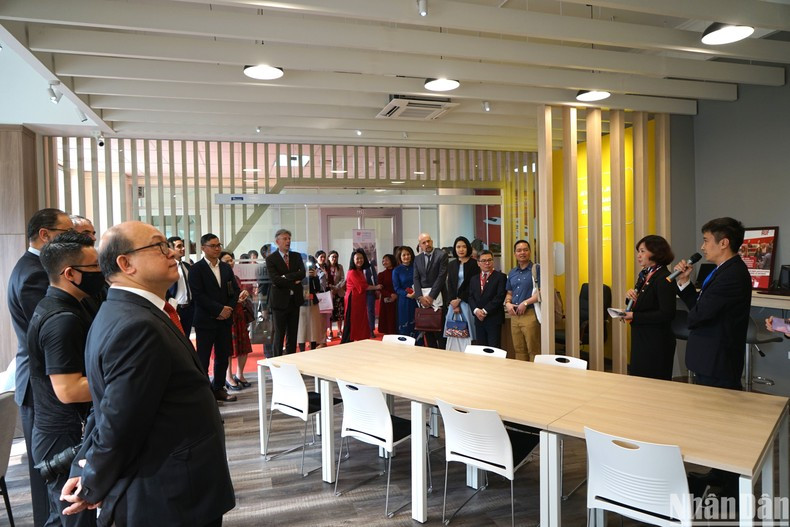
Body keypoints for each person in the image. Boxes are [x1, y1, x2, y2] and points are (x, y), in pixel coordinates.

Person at [59, 221, 235, 526]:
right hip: (171, 492)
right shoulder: (137, 326)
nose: (171, 254)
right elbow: (119, 421)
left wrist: (83, 467)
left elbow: (109, 408)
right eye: (158, 246)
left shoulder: (132, 312)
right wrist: (91, 481)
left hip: (175, 482)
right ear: (125, 264)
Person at [27, 231, 100, 527]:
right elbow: (69, 390)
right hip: (63, 434)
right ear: (71, 273)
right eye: (94, 267)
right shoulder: (62, 319)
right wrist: (126, 386)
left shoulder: (69, 305)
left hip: (62, 429)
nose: (102, 272)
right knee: (74, 518)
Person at [7, 207, 73, 526]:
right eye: (66, 234)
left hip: (42, 382)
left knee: (50, 477)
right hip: (40, 385)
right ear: (45, 235)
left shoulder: (35, 265)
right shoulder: (34, 271)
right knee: (48, 480)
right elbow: (48, 330)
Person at [673, 217, 751, 389]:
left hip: (718, 360)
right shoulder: (722, 270)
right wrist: (685, 282)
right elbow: (699, 307)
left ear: (723, 243)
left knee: (720, 411)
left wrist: (692, 317)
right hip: (710, 358)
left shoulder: (731, 274)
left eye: (706, 241)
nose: (702, 247)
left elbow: (699, 314)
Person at [189, 233, 240, 402]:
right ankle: (203, 392)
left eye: (219, 245)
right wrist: (218, 310)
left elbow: (234, 291)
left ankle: (218, 388)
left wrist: (229, 309)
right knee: (203, 358)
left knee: (222, 355)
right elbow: (198, 295)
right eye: (213, 246)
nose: (217, 248)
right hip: (206, 319)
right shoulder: (196, 269)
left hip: (225, 319)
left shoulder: (225, 267)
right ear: (203, 248)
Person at [622, 235, 677, 380]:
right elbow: (643, 304)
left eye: (642, 251)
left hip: (656, 342)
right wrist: (629, 297)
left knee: (653, 386)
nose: (639, 256)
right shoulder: (644, 275)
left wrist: (634, 316)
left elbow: (666, 314)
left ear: (656, 252)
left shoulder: (665, 278)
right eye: (638, 252)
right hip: (641, 338)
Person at [265, 229, 306, 356]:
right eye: (285, 239)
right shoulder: (271, 259)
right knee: (279, 334)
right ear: (277, 242)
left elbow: (302, 273)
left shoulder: (296, 256)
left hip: (295, 301)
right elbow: (275, 280)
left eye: (289, 238)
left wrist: (285, 277)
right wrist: (293, 281)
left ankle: (291, 360)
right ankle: (277, 362)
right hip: (279, 302)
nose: (288, 241)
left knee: (292, 334)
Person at [219, 251, 253, 390]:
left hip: (239, 315)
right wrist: (234, 300)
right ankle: (229, 376)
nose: (231, 262)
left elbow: (241, 293)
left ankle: (240, 374)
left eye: (231, 260)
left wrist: (244, 295)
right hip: (228, 315)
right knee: (228, 348)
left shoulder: (236, 277)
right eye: (227, 261)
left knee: (243, 347)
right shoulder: (219, 278)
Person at [504, 240, 541, 361]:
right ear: (515, 254)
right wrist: (508, 303)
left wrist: (525, 303)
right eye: (519, 250)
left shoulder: (537, 269)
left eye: (525, 250)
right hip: (515, 315)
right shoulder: (512, 272)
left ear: (530, 252)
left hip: (530, 314)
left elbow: (542, 292)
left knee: (533, 349)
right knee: (518, 349)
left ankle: (535, 377)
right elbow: (509, 292)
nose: (522, 252)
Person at [413, 232, 449, 348]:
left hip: (438, 298)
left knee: (440, 330)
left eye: (429, 241)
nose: (427, 244)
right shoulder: (417, 259)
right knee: (427, 329)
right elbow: (416, 278)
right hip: (423, 300)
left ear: (432, 241)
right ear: (420, 245)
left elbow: (441, 277)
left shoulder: (441, 255)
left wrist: (431, 296)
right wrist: (420, 297)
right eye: (424, 242)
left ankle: (443, 358)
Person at [468, 250, 507, 347]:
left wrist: (485, 311)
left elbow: (500, 296)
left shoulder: (501, 277)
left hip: (493, 318)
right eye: (484, 260)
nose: (487, 263)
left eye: (489, 260)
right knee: (481, 348)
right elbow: (470, 297)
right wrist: (476, 310)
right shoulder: (474, 279)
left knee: (494, 348)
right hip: (478, 319)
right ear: (478, 263)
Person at [444, 236, 479, 344]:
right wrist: (452, 302)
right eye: (458, 247)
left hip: (467, 302)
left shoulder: (474, 264)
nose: (461, 249)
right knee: (453, 332)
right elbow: (449, 284)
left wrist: (459, 300)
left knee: (468, 333)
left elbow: (473, 285)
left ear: (468, 248)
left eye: (464, 246)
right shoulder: (451, 264)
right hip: (453, 304)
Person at [341, 249, 374, 343]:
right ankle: (346, 342)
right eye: (357, 258)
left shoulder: (360, 270)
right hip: (353, 299)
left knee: (360, 320)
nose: (360, 260)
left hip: (359, 299)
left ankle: (357, 339)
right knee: (351, 321)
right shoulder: (352, 272)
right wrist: (376, 287)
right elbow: (362, 286)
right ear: (353, 260)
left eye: (361, 258)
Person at [166, 235, 194, 338]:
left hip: (190, 308)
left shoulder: (187, 266)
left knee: (186, 337)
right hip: (176, 309)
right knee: (176, 338)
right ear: (171, 249)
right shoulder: (167, 267)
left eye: (183, 246)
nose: (183, 248)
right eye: (179, 246)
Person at [297, 255, 327, 351]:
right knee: (302, 328)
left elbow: (318, 289)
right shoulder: (298, 273)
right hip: (301, 303)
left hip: (313, 302)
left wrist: (314, 277)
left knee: (313, 327)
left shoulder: (314, 274)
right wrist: (303, 275)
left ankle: (313, 348)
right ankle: (302, 350)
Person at [393, 246, 417, 337]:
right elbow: (397, 288)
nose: (406, 257)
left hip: (417, 299)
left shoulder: (416, 267)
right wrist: (408, 295)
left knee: (418, 324)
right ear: (400, 257)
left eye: (408, 254)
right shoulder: (397, 270)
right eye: (404, 255)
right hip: (404, 301)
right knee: (405, 324)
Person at [327, 249, 346, 339]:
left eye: (336, 257)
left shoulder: (340, 267)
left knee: (339, 313)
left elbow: (343, 279)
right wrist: (331, 287)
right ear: (329, 258)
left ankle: (339, 330)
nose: (334, 258)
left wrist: (336, 287)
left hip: (338, 292)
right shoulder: (326, 267)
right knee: (330, 313)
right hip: (329, 293)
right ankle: (330, 331)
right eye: (332, 257)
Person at [377, 254, 398, 335]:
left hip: (397, 298)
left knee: (396, 319)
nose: (384, 262)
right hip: (386, 300)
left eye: (386, 260)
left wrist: (396, 295)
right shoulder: (381, 274)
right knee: (387, 320)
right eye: (383, 260)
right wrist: (390, 295)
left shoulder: (397, 271)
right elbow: (380, 288)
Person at [315, 250, 332, 341]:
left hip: (327, 293)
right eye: (321, 257)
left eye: (324, 257)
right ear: (316, 258)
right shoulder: (314, 268)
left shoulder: (326, 267)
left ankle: (324, 336)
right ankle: (318, 338)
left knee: (326, 317)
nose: (323, 259)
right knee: (318, 317)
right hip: (318, 294)